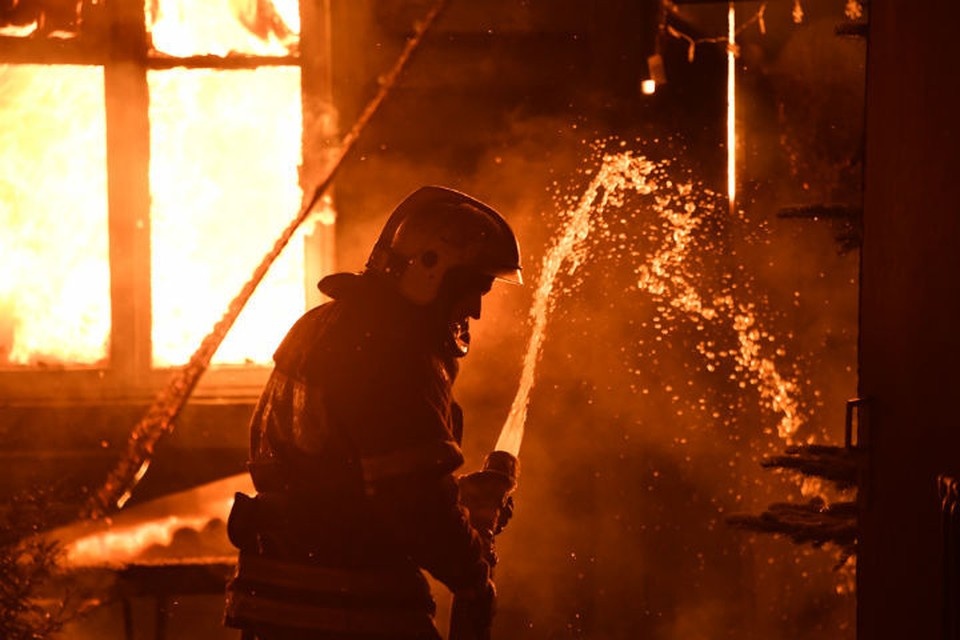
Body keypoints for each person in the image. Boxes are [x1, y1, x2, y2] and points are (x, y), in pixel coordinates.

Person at [223, 185, 523, 640]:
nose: (477, 311)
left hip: (277, 605)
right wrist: (472, 574)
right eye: (473, 287)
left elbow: (343, 481)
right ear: (431, 271)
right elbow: (415, 504)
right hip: (350, 609)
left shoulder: (323, 326)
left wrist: (456, 498)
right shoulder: (396, 353)